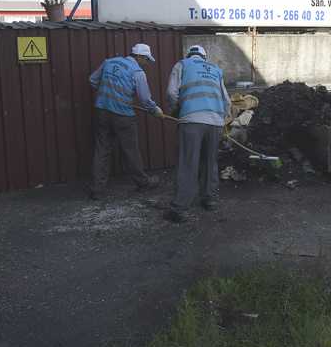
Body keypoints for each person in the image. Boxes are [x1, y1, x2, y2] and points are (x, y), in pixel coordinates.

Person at [165, 45, 231, 223]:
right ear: (204, 57)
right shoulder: (216, 70)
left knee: (188, 163)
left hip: (192, 120)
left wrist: (176, 111)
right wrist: (223, 120)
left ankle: (179, 207)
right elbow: (226, 99)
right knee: (210, 162)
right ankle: (209, 200)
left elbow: (172, 92)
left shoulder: (182, 65)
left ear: (190, 55)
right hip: (215, 121)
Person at [88, 43, 163, 200]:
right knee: (130, 150)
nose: (147, 63)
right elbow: (144, 99)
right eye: (146, 60)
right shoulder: (137, 72)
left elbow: (93, 80)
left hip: (102, 110)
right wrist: (155, 110)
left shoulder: (109, 62)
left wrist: (108, 93)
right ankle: (143, 182)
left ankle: (97, 189)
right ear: (140, 57)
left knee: (102, 149)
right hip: (123, 115)